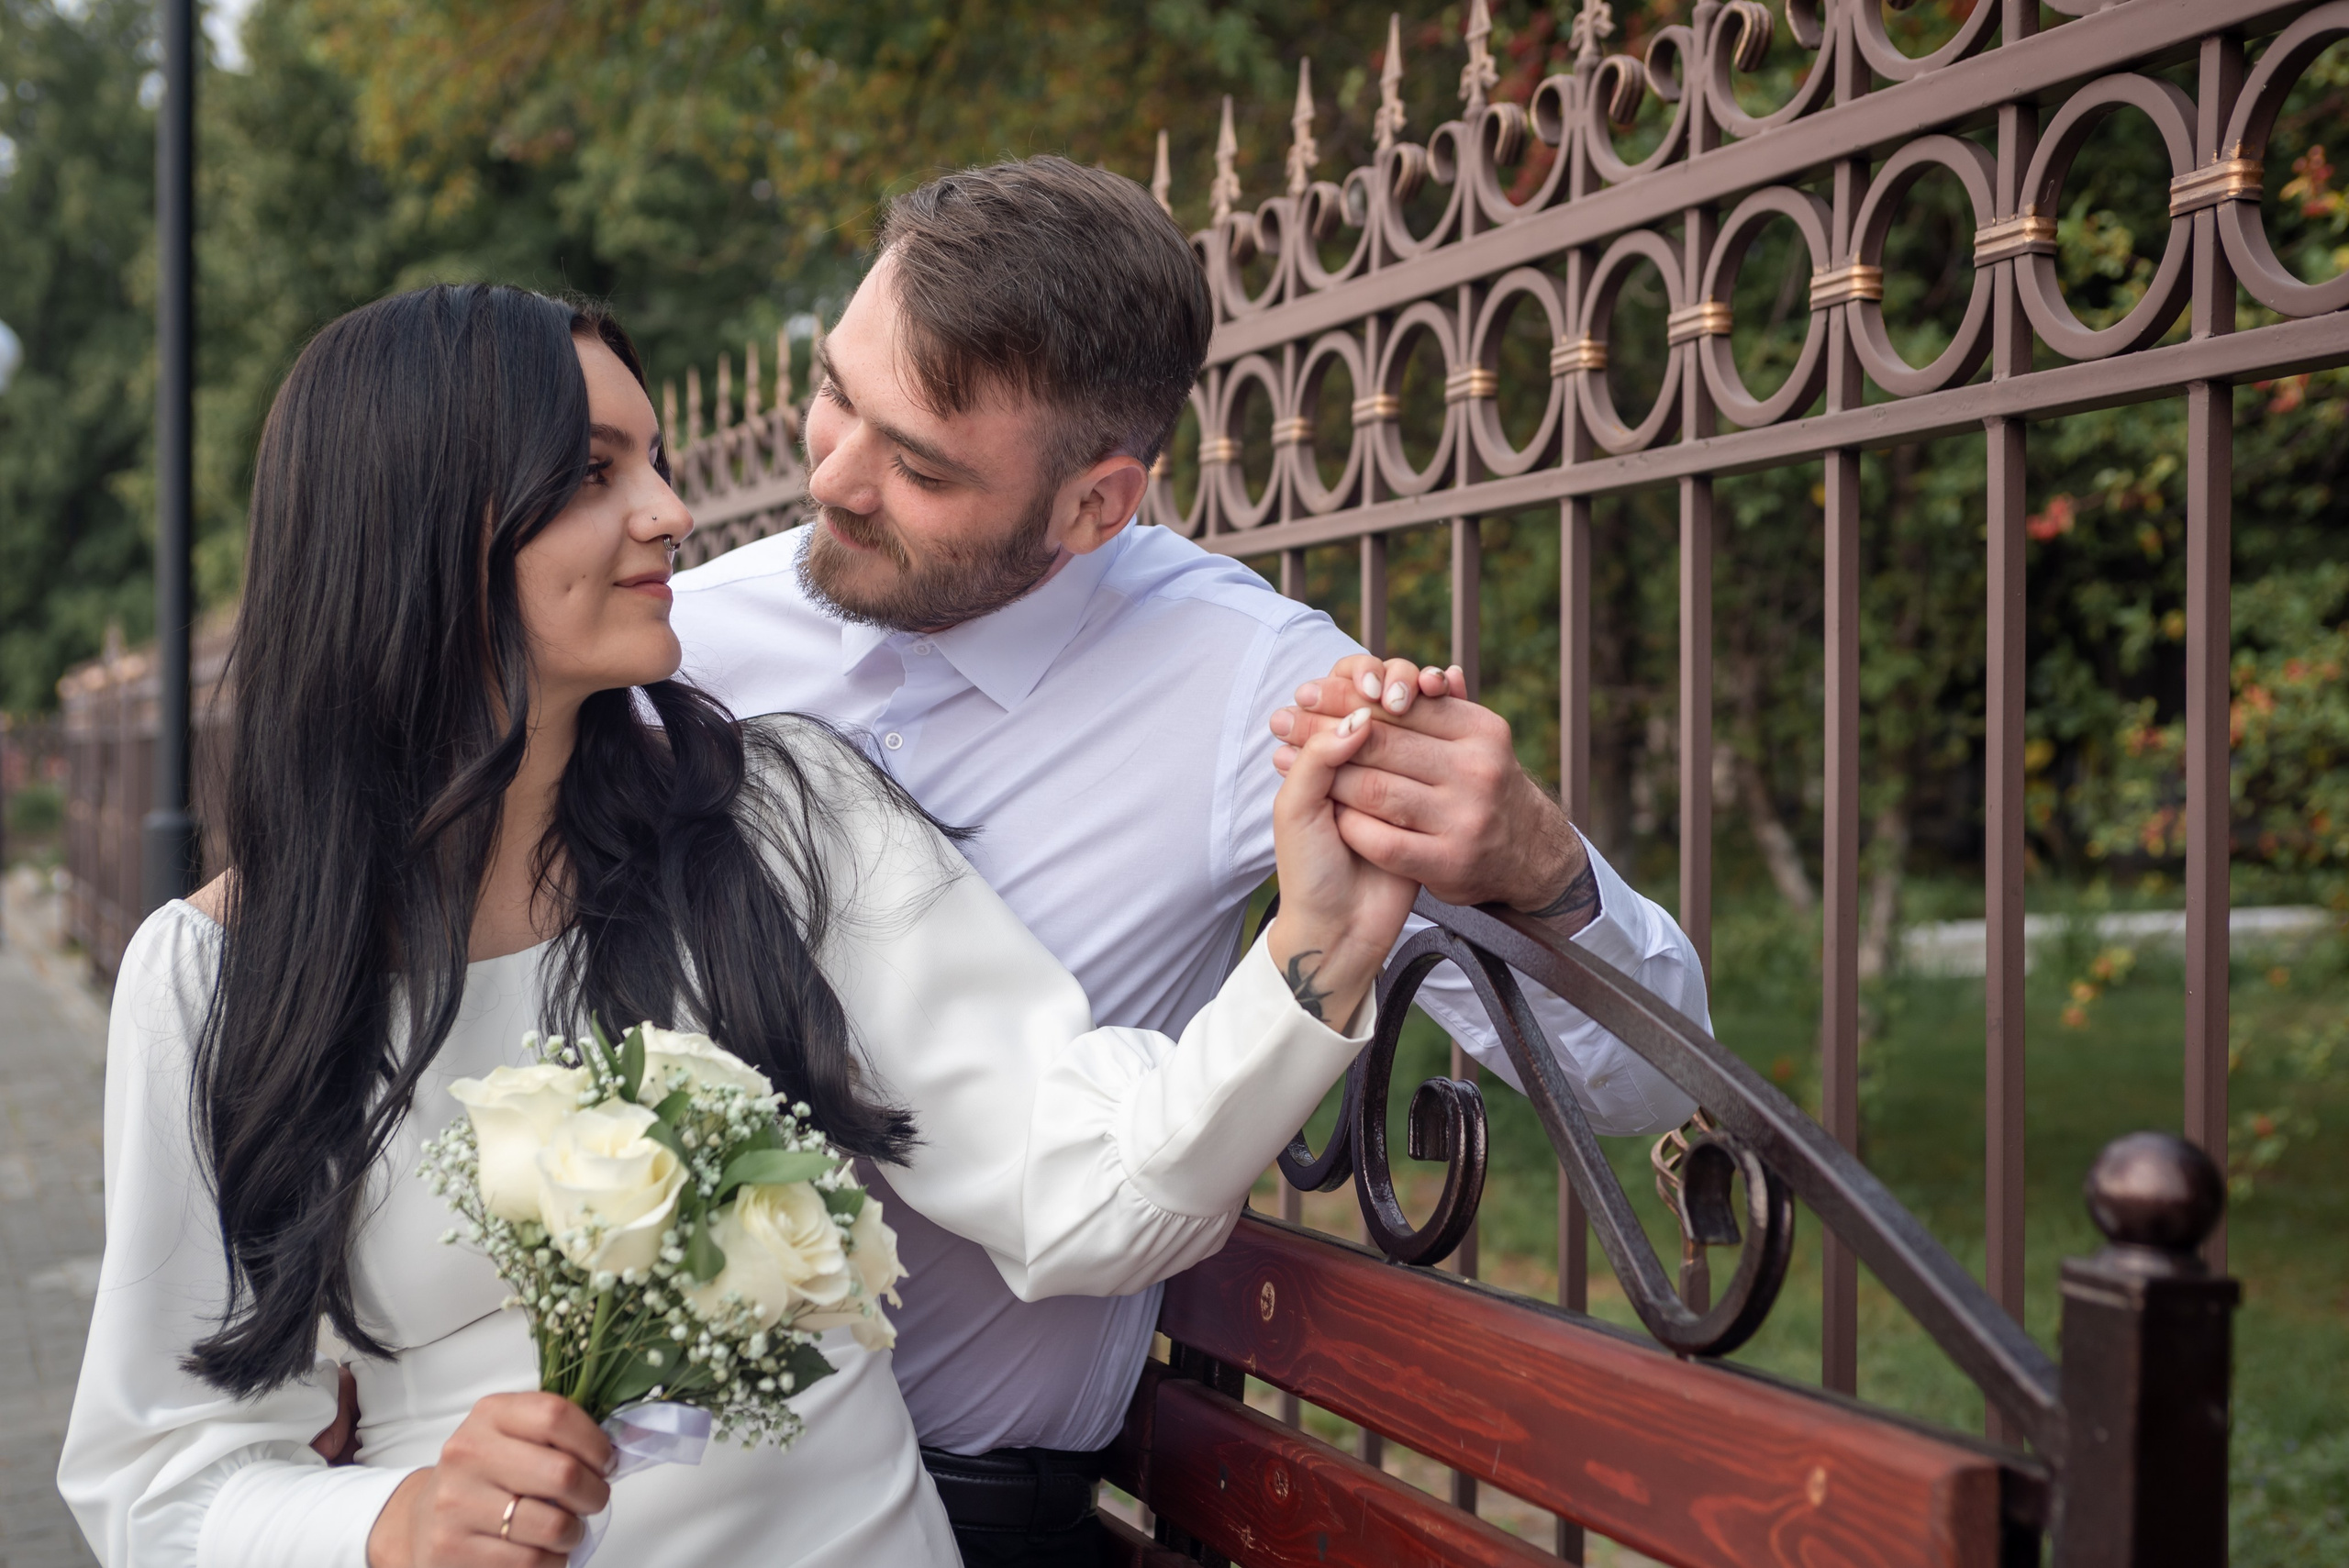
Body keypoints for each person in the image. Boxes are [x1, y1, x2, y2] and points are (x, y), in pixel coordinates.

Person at [56, 284, 1423, 1568]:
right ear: (419, 522)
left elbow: (1078, 1187)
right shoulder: (218, 978)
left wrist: (1317, 945)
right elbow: (161, 1473)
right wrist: (392, 1523)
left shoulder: (778, 820)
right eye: (596, 473)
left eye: (653, 459)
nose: (671, 510)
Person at [670, 156, 1708, 1566]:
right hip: (655, 1491)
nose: (832, 477)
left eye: (919, 465)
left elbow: (1644, 1078)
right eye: (839, 394)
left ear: (1097, 505)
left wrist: (1537, 862)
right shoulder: (688, 636)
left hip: (979, 1513)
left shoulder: (1252, 690)